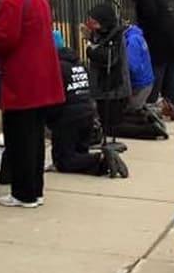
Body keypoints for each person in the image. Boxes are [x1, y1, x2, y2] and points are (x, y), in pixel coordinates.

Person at [0, 0, 64, 208]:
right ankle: (35, 190)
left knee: (19, 139)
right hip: (42, 81)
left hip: (22, 82)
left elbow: (5, 39)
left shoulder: (12, 3)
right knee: (35, 139)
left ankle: (23, 193)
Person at [47, 45, 126, 177]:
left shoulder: (57, 68)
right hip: (87, 114)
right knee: (80, 156)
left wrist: (51, 121)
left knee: (63, 162)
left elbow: (55, 98)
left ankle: (101, 158)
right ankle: (102, 164)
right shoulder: (80, 65)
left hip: (68, 118)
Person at [116, 0, 174, 119]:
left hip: (159, 37)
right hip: (171, 34)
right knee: (171, 70)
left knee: (157, 70)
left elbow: (149, 15)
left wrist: (140, 30)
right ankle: (171, 103)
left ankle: (151, 104)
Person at [85, 3, 132, 140]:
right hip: (103, 86)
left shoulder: (116, 35)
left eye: (94, 21)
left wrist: (90, 49)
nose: (90, 24)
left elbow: (110, 58)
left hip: (113, 87)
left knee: (113, 127)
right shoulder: (100, 33)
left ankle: (150, 128)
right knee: (108, 123)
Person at [123, 23, 155, 109]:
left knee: (132, 113)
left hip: (139, 85)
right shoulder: (137, 36)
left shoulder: (132, 41)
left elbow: (132, 67)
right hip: (145, 81)